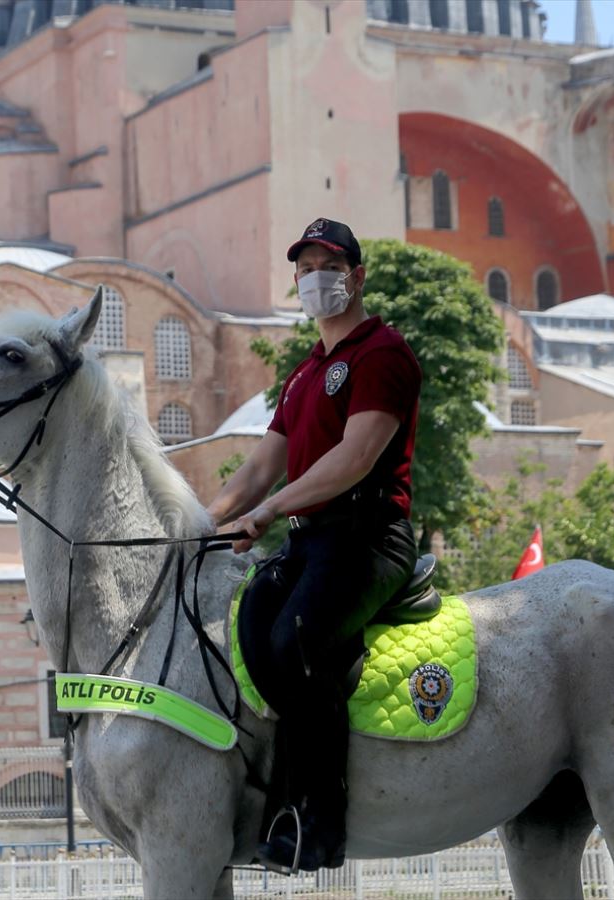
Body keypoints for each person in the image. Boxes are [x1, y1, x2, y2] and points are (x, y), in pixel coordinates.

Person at [207, 218, 421, 872]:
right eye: (303, 268)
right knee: (247, 630)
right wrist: (197, 524)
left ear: (356, 277)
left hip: (368, 539)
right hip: (310, 542)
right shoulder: (305, 374)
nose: (314, 278)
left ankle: (317, 827)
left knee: (294, 642)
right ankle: (275, 799)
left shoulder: (383, 354)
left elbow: (355, 459)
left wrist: (268, 511)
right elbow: (257, 471)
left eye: (328, 265)